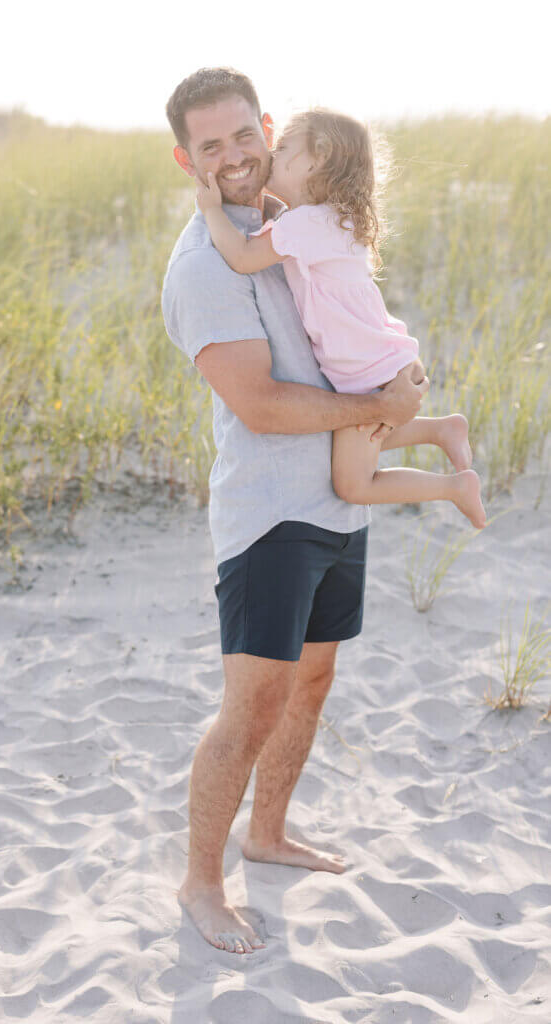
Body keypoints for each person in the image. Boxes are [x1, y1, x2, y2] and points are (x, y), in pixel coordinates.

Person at [161, 67, 428, 956]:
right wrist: (381, 410)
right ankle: (202, 882)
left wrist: (394, 383)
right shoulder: (206, 263)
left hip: (338, 502)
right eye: (212, 147)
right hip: (271, 515)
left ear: (266, 128)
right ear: (186, 160)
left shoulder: (294, 223)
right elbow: (265, 406)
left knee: (311, 685)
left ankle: (266, 834)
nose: (234, 156)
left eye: (244, 135)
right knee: (252, 705)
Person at [196, 107, 486, 528]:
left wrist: (211, 211)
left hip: (370, 373)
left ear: (315, 162)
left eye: (283, 147)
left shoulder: (304, 224)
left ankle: (453, 487)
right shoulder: (335, 218)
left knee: (353, 484)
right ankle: (440, 430)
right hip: (386, 360)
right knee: (345, 442)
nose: (272, 154)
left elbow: (242, 258)